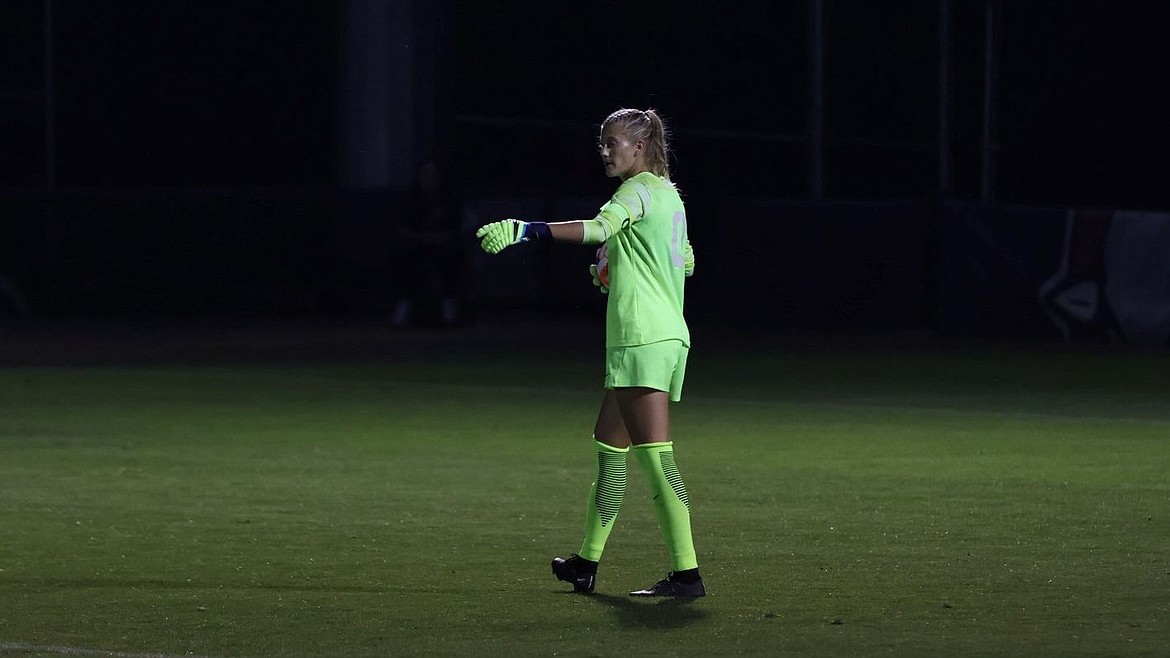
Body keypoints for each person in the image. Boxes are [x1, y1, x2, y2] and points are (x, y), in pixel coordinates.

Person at [475, 108, 703, 597]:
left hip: (644, 339)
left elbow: (599, 230)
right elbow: (683, 262)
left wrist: (527, 229)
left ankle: (687, 575)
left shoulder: (635, 191)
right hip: (650, 336)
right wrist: (616, 271)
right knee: (609, 448)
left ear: (639, 148)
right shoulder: (669, 196)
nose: (604, 150)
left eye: (613, 142)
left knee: (656, 458)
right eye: (601, 142)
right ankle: (586, 564)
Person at [390, 158, 466, 327]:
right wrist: (422, 239)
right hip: (416, 246)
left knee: (453, 255)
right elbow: (403, 229)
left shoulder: (450, 200)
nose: (429, 178)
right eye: (425, 174)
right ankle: (404, 306)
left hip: (443, 247)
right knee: (403, 256)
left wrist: (437, 239)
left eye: (434, 174)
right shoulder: (411, 199)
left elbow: (454, 229)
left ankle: (449, 307)